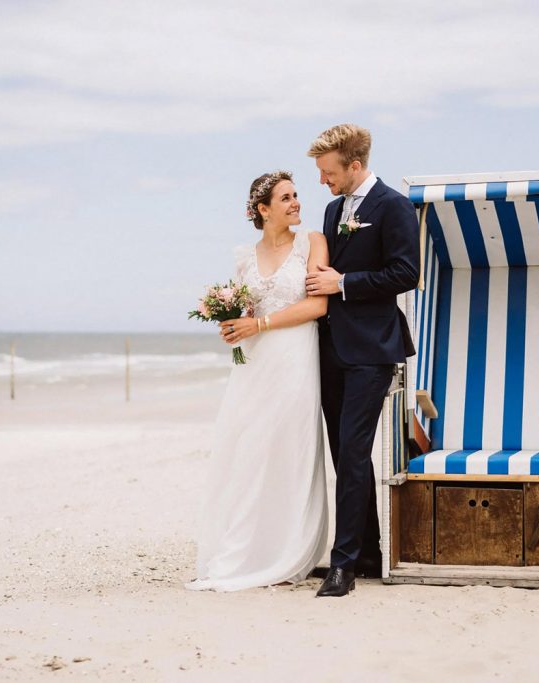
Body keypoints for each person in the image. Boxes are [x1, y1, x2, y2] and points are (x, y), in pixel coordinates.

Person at [186, 171, 330, 592]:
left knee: (287, 447)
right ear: (263, 209)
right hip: (253, 364)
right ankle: (244, 548)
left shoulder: (312, 242)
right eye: (286, 198)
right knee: (247, 449)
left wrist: (260, 323)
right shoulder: (243, 255)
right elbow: (247, 310)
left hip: (295, 359)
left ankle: (284, 550)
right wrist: (233, 325)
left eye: (296, 195)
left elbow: (318, 306)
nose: (296, 203)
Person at [305, 124, 420, 597]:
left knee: (354, 454)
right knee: (343, 457)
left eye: (328, 172)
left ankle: (344, 565)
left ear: (355, 166)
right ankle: (368, 551)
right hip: (331, 347)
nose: (322, 182)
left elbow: (406, 272)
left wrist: (344, 284)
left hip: (372, 349)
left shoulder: (393, 206)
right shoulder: (334, 211)